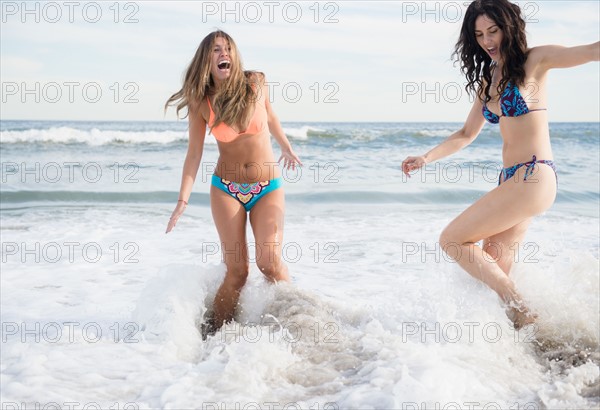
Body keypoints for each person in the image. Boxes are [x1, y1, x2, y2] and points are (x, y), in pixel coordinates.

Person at [401, 0, 599, 329]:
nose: (487, 41)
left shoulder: (537, 60)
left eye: (493, 31)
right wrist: (426, 157)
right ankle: (527, 344)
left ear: (510, 28)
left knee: (452, 240)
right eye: (479, 35)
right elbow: (466, 133)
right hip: (512, 181)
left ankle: (521, 307)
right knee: (492, 264)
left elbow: (592, 50)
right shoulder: (487, 81)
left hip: (534, 174)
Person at [164, 30, 301, 335]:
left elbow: (272, 117)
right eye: (215, 50)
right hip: (226, 189)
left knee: (270, 263)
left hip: (268, 187)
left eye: (227, 48)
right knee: (237, 272)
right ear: (206, 60)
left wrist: (286, 147)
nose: (223, 53)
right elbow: (194, 154)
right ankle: (214, 334)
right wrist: (182, 201)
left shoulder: (256, 83)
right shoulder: (202, 102)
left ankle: (296, 324)